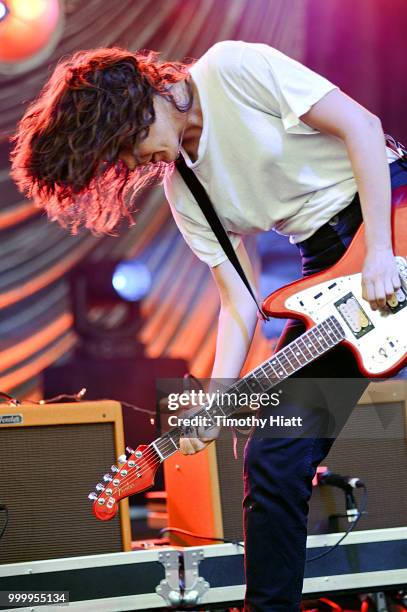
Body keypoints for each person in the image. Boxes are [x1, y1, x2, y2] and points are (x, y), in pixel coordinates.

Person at [10, 40, 406, 610]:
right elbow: (239, 303)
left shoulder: (231, 68)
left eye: (119, 146)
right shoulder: (184, 191)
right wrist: (216, 402)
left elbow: (363, 127)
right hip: (328, 281)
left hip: (388, 213)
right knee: (273, 454)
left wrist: (380, 254)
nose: (126, 165)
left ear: (139, 104)